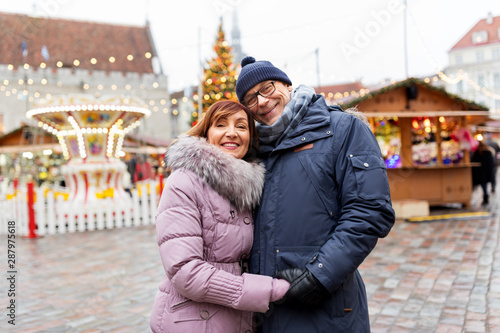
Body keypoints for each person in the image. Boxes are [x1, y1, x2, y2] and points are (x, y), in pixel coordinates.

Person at [235, 56, 396, 332]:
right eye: (250, 99)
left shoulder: (343, 129)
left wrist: (320, 276)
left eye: (267, 88)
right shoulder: (249, 150)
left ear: (286, 85)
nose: (261, 101)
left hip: (327, 309)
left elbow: (370, 211)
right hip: (264, 313)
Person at [150, 100, 290, 333]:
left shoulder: (251, 185)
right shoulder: (184, 181)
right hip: (194, 321)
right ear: (206, 133)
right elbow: (185, 270)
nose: (232, 133)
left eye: (241, 126)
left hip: (237, 319)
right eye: (221, 125)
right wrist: (267, 290)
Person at [472, 140, 495, 205]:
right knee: (484, 186)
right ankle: (485, 197)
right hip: (485, 173)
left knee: (479, 186)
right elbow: (491, 164)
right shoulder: (488, 153)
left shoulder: (478, 152)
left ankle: (469, 197)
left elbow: (473, 161)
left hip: (479, 173)